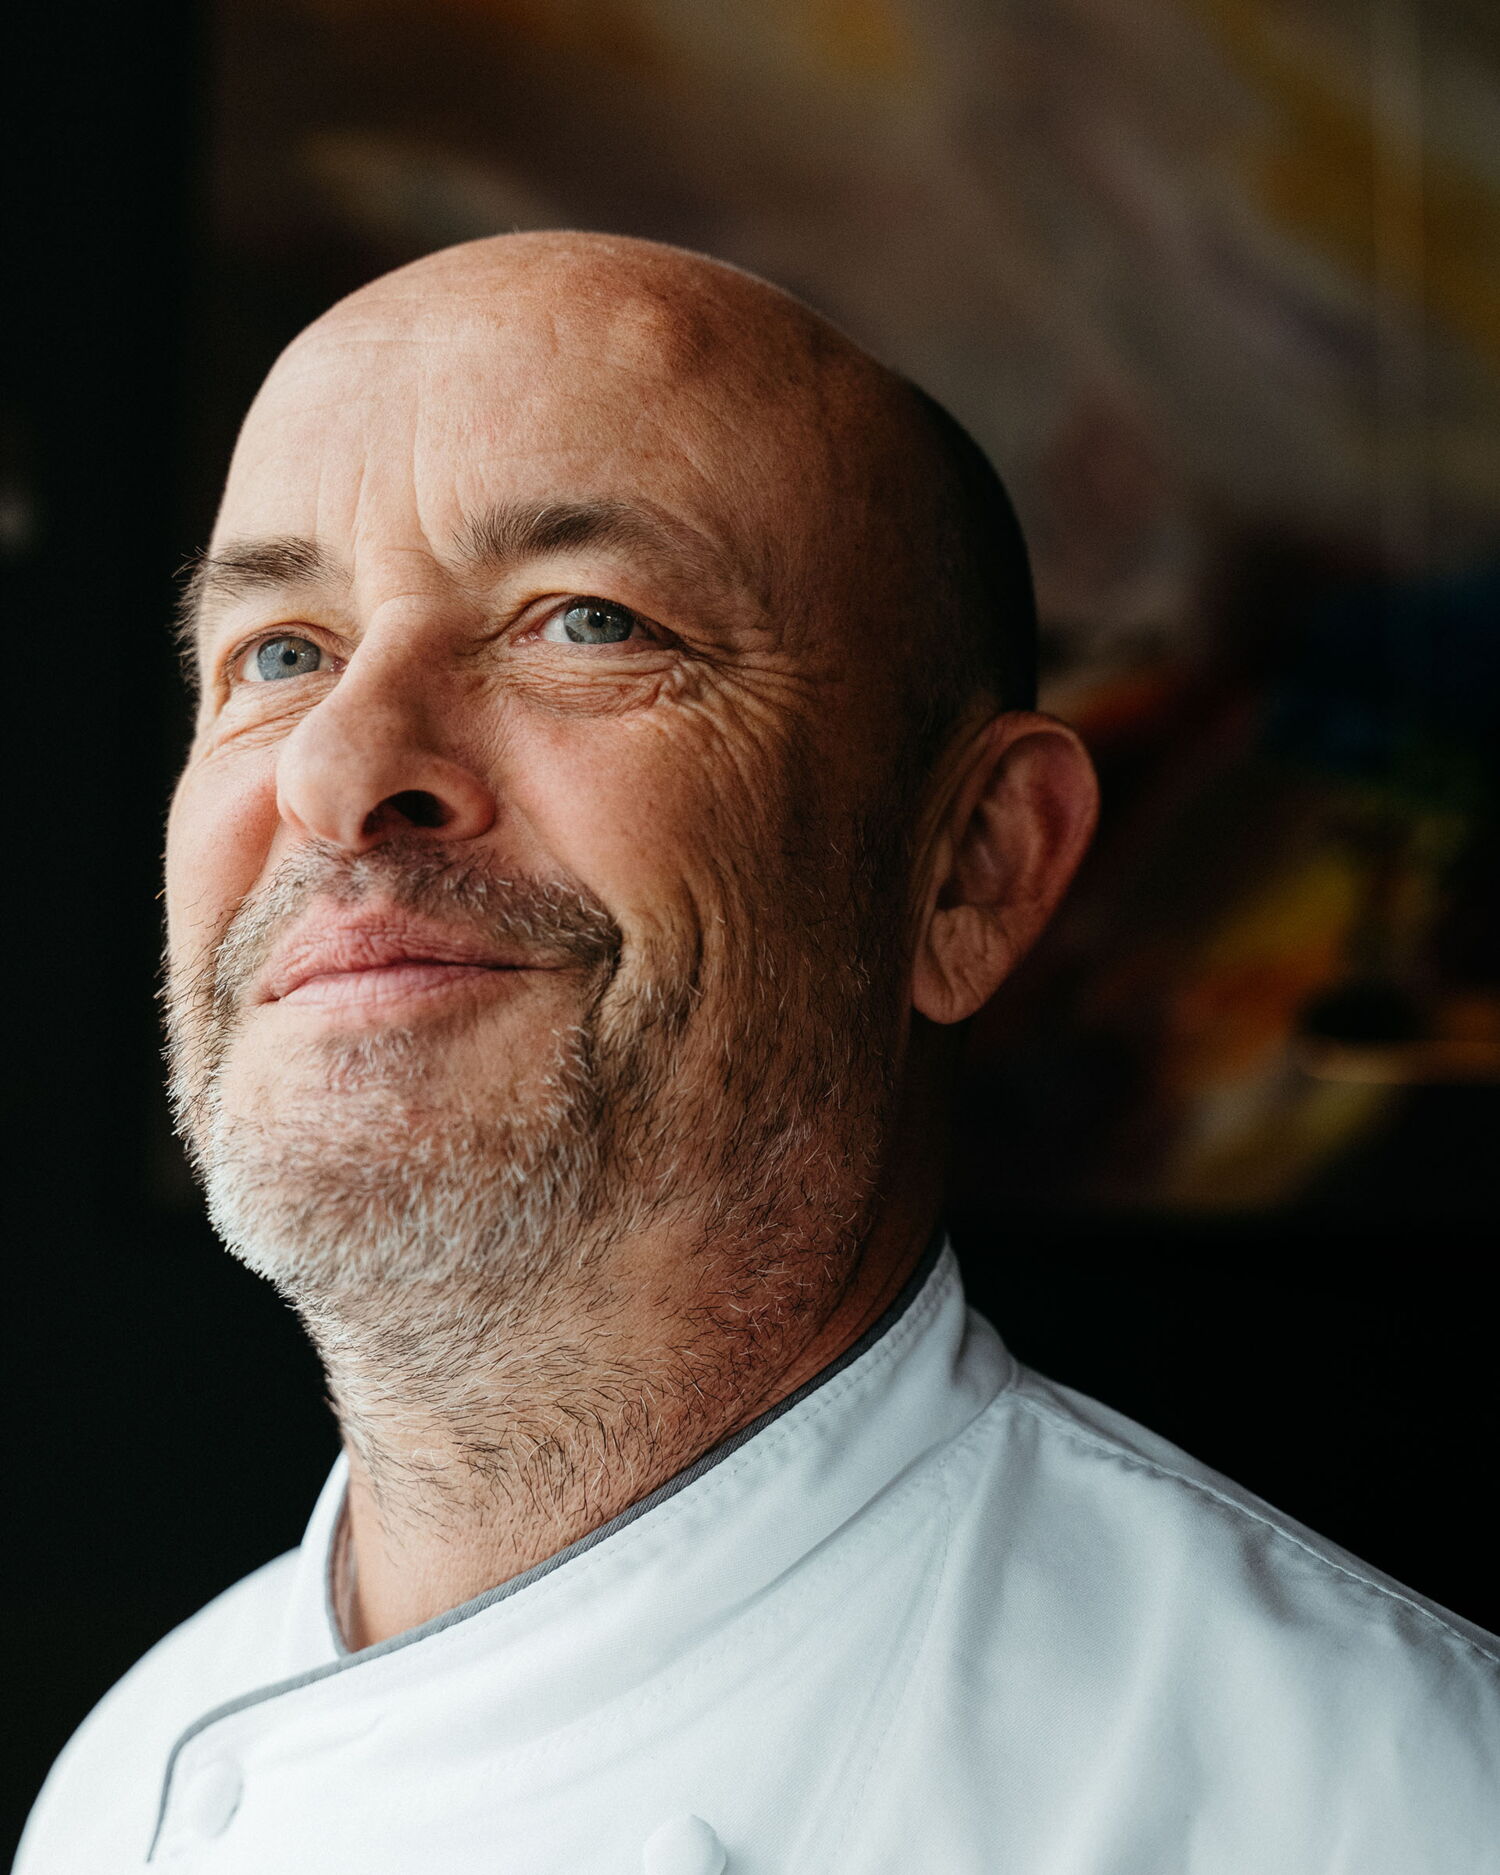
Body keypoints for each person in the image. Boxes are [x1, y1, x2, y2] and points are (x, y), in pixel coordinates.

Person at [17, 232, 1496, 1875]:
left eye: (584, 622)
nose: (342, 769)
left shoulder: (1385, 1802)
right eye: (280, 654)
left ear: (972, 867)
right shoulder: (128, 1771)